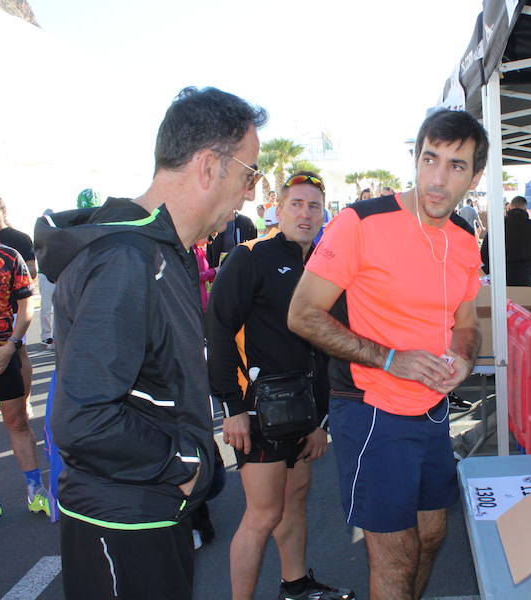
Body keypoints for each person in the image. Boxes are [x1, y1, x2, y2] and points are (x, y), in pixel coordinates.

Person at [34, 86, 268, 598]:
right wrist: (185, 465)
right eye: (250, 173)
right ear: (209, 166)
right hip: (124, 518)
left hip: (148, 508)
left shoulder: (164, 249)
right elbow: (82, 420)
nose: (251, 193)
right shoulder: (127, 258)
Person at [287, 109, 487, 600]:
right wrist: (391, 358)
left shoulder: (464, 239)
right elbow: (302, 314)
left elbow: (466, 324)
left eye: (456, 166)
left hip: (432, 410)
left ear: (475, 176)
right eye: (430, 160)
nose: (438, 179)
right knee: (395, 555)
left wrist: (463, 358)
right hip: (371, 408)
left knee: (433, 535)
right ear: (415, 159)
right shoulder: (361, 222)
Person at [207, 171, 354, 600]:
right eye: (297, 204)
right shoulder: (249, 256)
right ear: (278, 208)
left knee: (295, 501)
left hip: (304, 410)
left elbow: (326, 346)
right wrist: (231, 406)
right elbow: (217, 331)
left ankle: (296, 586)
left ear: (324, 212)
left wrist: (320, 418)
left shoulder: (324, 265)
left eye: (313, 205)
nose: (305, 213)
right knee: (263, 513)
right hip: (257, 411)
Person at [0, 198, 46, 531]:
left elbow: (27, 304)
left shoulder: (8, 256)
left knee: (16, 421)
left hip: (1, 348)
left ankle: (36, 491)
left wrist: (12, 346)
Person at [0, 195, 36, 418]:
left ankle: (25, 401)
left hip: (14, 309)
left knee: (19, 353)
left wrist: (9, 279)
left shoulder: (19, 239)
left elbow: (32, 271)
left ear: (2, 211)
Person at [480, 195, 531, 286]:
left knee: (503, 300)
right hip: (525, 278)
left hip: (500, 279)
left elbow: (484, 254)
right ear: (525, 209)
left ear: (510, 207)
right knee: (523, 300)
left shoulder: (497, 226)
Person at [36, 209, 56, 349]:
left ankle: (55, 336)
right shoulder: (40, 236)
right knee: (46, 307)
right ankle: (46, 336)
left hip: (57, 273)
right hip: (44, 274)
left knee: (59, 307)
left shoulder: (58, 234)